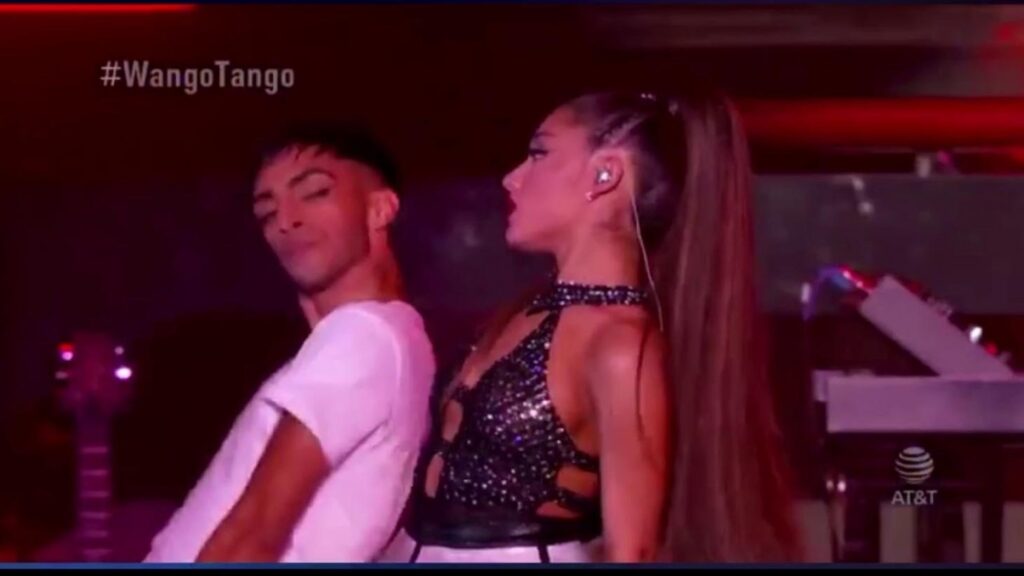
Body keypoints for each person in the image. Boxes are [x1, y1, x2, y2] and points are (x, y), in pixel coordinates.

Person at [380, 91, 803, 563]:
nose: (512, 178)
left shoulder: (621, 343)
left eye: (539, 153)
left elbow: (632, 549)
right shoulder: (524, 312)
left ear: (606, 174)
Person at [145, 125, 436, 563]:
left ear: (380, 208)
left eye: (315, 192)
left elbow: (255, 533)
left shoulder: (362, 334)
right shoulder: (394, 338)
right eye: (267, 213)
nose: (285, 220)